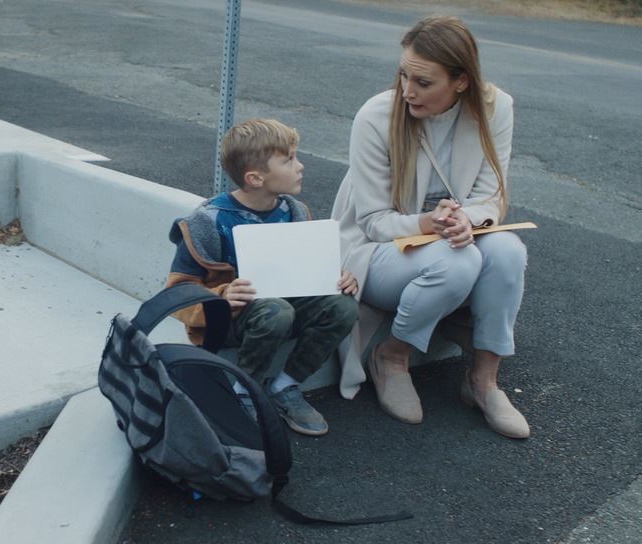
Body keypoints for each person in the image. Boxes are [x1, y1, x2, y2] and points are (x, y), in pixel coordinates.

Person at [331, 15, 530, 438]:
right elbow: (372, 222)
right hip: (374, 251)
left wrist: (466, 219)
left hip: (450, 239)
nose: (407, 90)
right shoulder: (377, 116)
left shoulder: (496, 108)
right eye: (404, 74)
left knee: (509, 250)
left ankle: (483, 381)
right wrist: (427, 222)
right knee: (456, 262)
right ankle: (391, 356)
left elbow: (491, 197)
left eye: (423, 82)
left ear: (461, 81)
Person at [165, 118, 359, 436]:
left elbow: (306, 271)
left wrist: (336, 277)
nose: (301, 166)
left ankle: (284, 386)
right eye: (289, 160)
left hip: (282, 314)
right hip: (227, 324)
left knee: (344, 306)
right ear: (255, 178)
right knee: (275, 311)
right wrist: (222, 296)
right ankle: (242, 392)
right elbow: (177, 294)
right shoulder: (206, 222)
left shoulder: (295, 212)